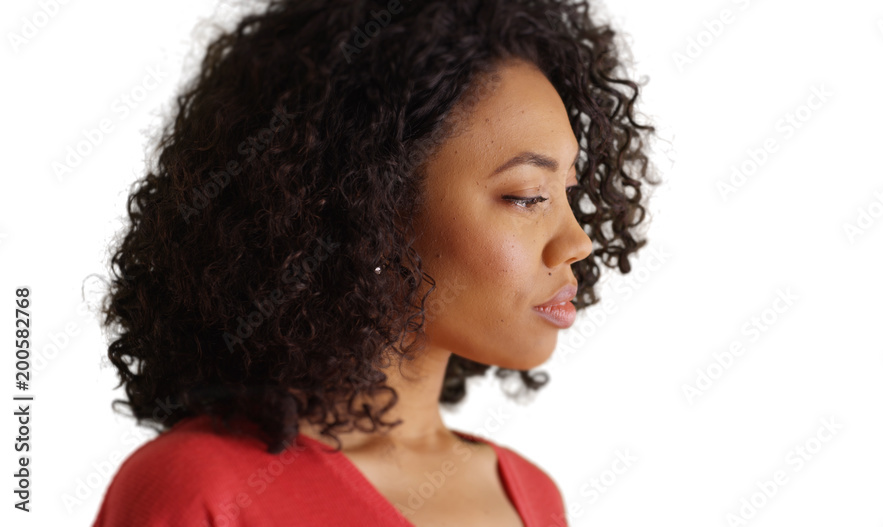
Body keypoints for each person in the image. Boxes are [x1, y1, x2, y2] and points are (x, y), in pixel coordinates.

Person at [92, 0, 659, 525]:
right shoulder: (199, 489)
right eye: (527, 197)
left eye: (568, 190)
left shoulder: (531, 496)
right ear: (367, 206)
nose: (577, 241)